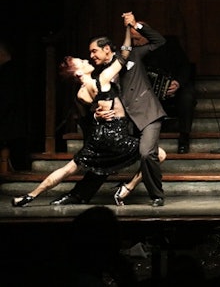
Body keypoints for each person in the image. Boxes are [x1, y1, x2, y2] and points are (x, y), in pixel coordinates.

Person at [11, 26, 141, 207]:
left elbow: (92, 114)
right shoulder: (103, 78)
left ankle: (29, 197)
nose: (87, 59)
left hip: (98, 138)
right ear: (79, 73)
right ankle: (127, 188)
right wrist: (127, 29)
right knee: (158, 154)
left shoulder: (80, 94)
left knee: (67, 169)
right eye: (82, 61)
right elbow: (124, 54)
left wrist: (96, 116)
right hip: (115, 135)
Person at [50, 12, 168, 207]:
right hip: (123, 122)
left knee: (147, 153)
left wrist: (136, 26)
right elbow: (98, 100)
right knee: (106, 159)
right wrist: (97, 113)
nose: (91, 56)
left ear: (106, 49)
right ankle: (79, 195)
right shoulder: (98, 74)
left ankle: (156, 195)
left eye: (94, 51)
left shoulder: (132, 54)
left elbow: (160, 41)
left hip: (146, 113)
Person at [141, 30, 196, 154]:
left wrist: (177, 83)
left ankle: (184, 137)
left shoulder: (169, 44)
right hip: (150, 90)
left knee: (187, 97)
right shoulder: (137, 51)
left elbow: (185, 66)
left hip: (174, 84)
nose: (136, 42)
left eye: (138, 39)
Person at [0, 38, 31, 171]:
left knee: (14, 150)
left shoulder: (8, 72)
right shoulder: (13, 70)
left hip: (11, 121)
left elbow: (7, 98)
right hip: (14, 121)